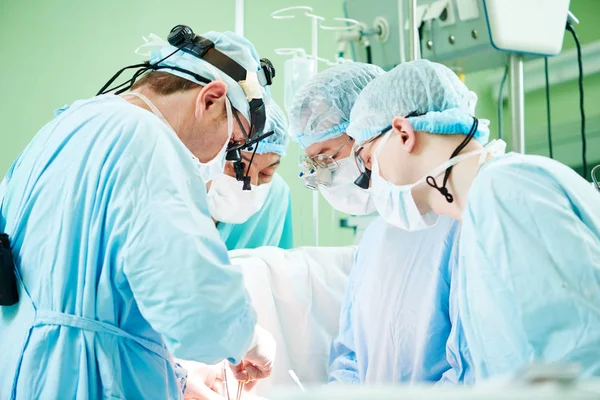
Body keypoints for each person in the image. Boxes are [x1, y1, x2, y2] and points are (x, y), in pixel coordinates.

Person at [0, 29, 276, 400]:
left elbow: (84, 295)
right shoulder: (148, 143)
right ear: (210, 100)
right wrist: (251, 339)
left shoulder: (62, 128)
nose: (225, 157)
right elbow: (199, 313)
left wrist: (175, 377)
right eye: (233, 144)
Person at [348, 59, 600, 381]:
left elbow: (578, 362)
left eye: (369, 160)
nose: (370, 180)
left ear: (403, 134)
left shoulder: (505, 190)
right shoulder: (475, 224)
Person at [288, 62, 473, 384]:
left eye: (327, 156)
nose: (321, 175)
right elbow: (352, 358)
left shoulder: (461, 225)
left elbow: (473, 370)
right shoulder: (374, 240)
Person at [208, 100, 294, 250]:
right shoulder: (170, 187)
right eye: (238, 167)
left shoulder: (276, 196)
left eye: (265, 173)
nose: (251, 183)